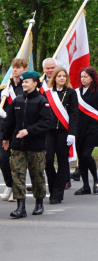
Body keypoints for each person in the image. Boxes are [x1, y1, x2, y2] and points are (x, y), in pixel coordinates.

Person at [3, 71, 52, 217]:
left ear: (35, 83)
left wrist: (29, 131)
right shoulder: (17, 101)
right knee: (17, 175)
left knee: (37, 175)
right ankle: (21, 207)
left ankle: (39, 203)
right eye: (23, 82)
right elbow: (9, 121)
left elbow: (47, 122)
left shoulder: (42, 101)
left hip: (36, 146)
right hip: (18, 145)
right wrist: (6, 138)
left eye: (27, 82)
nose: (24, 84)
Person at [44, 66, 79, 204]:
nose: (62, 78)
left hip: (64, 132)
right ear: (54, 78)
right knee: (47, 161)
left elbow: (74, 115)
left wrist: (72, 133)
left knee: (63, 162)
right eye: (59, 76)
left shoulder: (71, 93)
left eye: (64, 76)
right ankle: (53, 188)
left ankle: (57, 193)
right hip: (49, 132)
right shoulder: (47, 93)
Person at [0, 59, 27, 201]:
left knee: (17, 160)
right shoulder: (5, 86)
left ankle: (16, 189)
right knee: (2, 158)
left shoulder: (26, 86)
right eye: (14, 67)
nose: (15, 70)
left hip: (18, 128)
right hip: (5, 128)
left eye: (19, 67)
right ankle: (9, 184)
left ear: (24, 69)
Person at [75, 67, 98, 194]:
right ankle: (85, 186)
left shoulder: (96, 91)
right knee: (81, 157)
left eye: (86, 77)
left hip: (94, 127)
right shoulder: (76, 92)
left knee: (86, 154)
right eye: (81, 77)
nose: (83, 79)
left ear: (92, 78)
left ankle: (96, 180)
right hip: (79, 128)